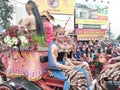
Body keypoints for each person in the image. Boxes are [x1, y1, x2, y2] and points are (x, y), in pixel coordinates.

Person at [48, 26, 91, 90]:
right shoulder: (54, 46)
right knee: (79, 73)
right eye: (59, 34)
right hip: (56, 69)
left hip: (64, 65)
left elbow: (65, 58)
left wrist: (72, 65)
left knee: (83, 68)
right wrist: (68, 67)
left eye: (63, 34)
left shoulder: (62, 45)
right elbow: (54, 63)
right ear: (55, 36)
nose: (62, 36)